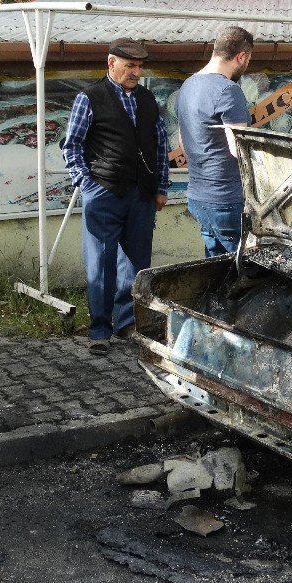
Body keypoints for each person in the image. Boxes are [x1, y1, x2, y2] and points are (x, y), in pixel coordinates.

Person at [62, 38, 170, 356]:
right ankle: (99, 330)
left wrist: (161, 187)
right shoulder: (90, 97)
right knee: (102, 264)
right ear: (111, 63)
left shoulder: (148, 99)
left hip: (141, 194)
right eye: (130, 66)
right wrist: (87, 185)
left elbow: (160, 144)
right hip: (104, 191)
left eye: (139, 66)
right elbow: (72, 146)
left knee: (137, 265)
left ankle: (127, 323)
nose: (136, 72)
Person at [176, 26, 253, 257]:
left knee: (215, 270)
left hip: (198, 196)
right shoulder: (228, 90)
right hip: (227, 199)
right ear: (241, 56)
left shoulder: (187, 86)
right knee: (241, 273)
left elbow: (183, 142)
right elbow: (239, 150)